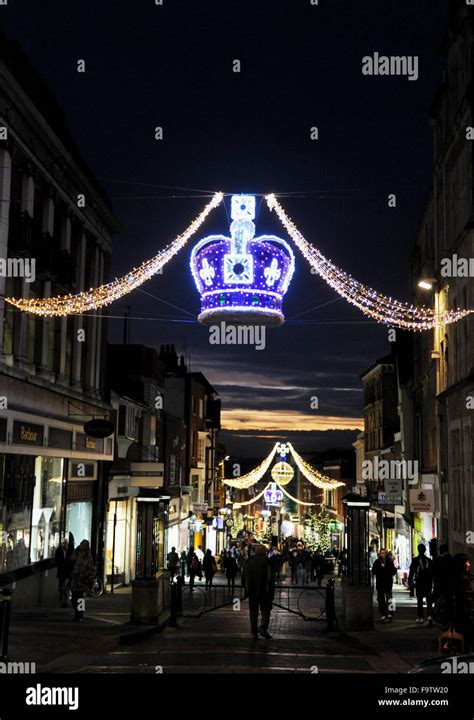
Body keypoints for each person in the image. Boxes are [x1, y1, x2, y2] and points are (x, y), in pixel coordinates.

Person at [247, 544, 275, 639]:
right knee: (265, 611)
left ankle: (254, 632)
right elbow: (270, 577)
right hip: (265, 591)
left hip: (252, 591)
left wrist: (247, 588)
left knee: (253, 613)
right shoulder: (267, 561)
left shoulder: (250, 560)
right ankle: (263, 628)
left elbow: (244, 576)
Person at [69, 539, 95, 622]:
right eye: (81, 544)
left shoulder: (88, 557)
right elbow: (70, 561)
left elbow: (91, 569)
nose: (81, 546)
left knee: (80, 598)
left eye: (83, 544)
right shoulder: (76, 552)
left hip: (82, 581)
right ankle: (76, 612)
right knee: (74, 598)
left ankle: (79, 615)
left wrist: (85, 575)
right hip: (74, 580)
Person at [408, 543, 434, 625]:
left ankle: (421, 617)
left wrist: (410, 581)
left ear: (418, 550)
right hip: (428, 582)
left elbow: (412, 572)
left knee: (419, 600)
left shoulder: (415, 560)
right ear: (425, 550)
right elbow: (433, 572)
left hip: (419, 582)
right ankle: (429, 616)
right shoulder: (429, 560)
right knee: (429, 599)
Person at [372, 548, 396, 622]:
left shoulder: (390, 562)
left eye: (384, 553)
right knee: (381, 599)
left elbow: (394, 571)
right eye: (382, 553)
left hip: (388, 582)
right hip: (380, 583)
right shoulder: (377, 562)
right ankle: (382, 614)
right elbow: (374, 571)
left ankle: (390, 614)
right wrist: (380, 569)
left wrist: (387, 569)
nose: (383, 555)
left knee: (390, 599)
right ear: (380, 554)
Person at [55, 537, 73, 608]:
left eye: (65, 544)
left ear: (67, 544)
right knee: (61, 587)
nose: (63, 545)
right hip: (61, 572)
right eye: (62, 544)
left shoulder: (71, 551)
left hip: (68, 572)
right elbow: (57, 560)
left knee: (66, 587)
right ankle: (63, 601)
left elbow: (72, 562)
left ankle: (66, 601)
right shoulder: (58, 551)